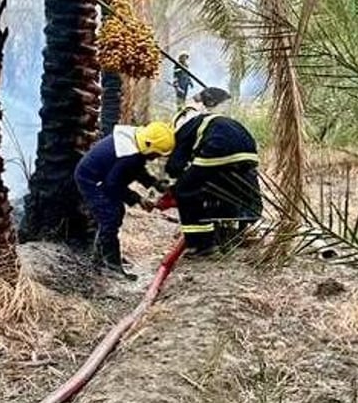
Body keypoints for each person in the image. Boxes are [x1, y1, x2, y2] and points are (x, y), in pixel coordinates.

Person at [165, 89, 262, 256]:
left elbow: (174, 166)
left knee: (185, 190)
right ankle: (233, 233)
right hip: (249, 154)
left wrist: (174, 181)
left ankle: (201, 244)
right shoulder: (217, 120)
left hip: (218, 150)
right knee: (226, 188)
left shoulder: (184, 130)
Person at [74, 121, 176, 278]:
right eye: (156, 154)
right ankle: (111, 266)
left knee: (115, 212)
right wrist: (137, 198)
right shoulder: (129, 157)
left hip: (100, 176)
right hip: (89, 180)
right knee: (110, 216)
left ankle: (102, 256)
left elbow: (136, 170)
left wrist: (154, 183)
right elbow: (113, 185)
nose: (155, 158)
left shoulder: (135, 141)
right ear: (148, 146)